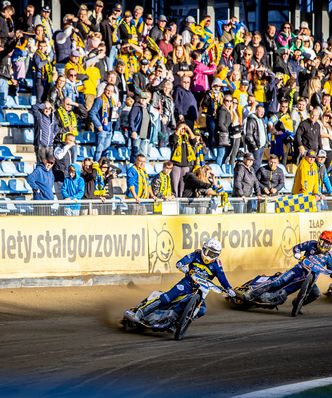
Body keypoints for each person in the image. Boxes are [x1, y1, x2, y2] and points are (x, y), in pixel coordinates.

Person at [125, 239, 236, 322]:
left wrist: (229, 289)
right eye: (208, 252)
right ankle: (139, 313)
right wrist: (181, 265)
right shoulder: (195, 255)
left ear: (217, 255)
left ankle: (178, 321)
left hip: (202, 290)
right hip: (186, 283)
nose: (209, 256)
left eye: (213, 254)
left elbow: (223, 279)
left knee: (201, 310)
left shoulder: (217, 265)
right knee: (166, 298)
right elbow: (183, 261)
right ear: (203, 249)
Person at [244, 231, 332, 307]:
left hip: (311, 280)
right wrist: (298, 254)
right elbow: (297, 247)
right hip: (298, 270)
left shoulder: (329, 257)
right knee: (277, 282)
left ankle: (298, 304)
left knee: (315, 294)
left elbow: (331, 269)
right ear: (320, 240)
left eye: (328, 244)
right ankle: (251, 293)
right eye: (324, 242)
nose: (325, 245)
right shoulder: (311, 244)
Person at [89, 84, 114, 161]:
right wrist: (98, 125)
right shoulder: (100, 100)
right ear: (104, 90)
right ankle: (96, 168)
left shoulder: (111, 101)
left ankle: (103, 168)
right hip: (102, 128)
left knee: (105, 150)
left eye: (111, 91)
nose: (109, 92)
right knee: (99, 150)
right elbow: (92, 113)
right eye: (107, 90)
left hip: (109, 127)